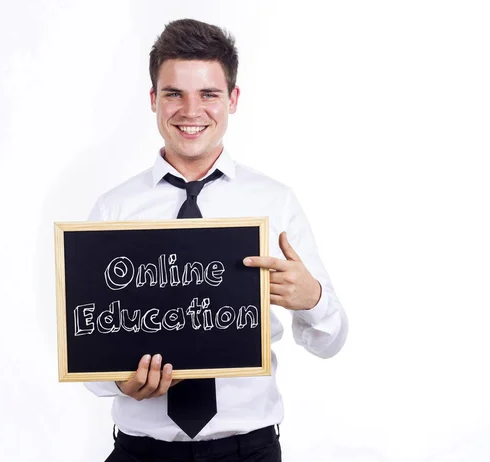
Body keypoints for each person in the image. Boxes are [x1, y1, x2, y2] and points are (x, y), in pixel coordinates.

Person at [84, 18, 348, 462]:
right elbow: (86, 348)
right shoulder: (114, 210)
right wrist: (118, 382)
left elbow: (331, 340)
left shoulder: (275, 202)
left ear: (233, 99)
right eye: (174, 94)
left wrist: (313, 298)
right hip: (141, 454)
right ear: (153, 100)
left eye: (208, 94)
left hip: (250, 451)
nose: (191, 111)